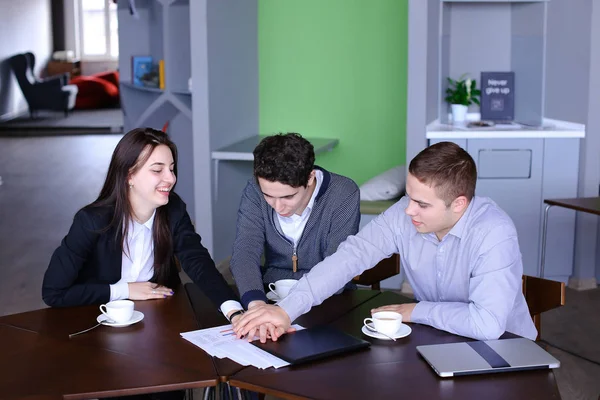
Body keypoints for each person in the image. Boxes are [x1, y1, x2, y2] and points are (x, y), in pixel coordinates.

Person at [233, 141, 538, 342]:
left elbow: (487, 325)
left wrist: (416, 311)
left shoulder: (494, 232)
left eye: (422, 204)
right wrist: (286, 310)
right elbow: (350, 257)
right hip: (441, 338)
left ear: (458, 204)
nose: (408, 210)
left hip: (505, 349)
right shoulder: (405, 215)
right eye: (409, 196)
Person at [42, 127, 243, 322]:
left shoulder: (174, 209)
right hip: (98, 322)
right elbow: (53, 292)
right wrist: (125, 290)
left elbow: (198, 262)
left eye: (172, 169)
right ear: (129, 175)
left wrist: (233, 310)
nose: (171, 178)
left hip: (161, 319)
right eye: (158, 170)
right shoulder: (91, 220)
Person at [229, 133, 360, 337]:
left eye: (288, 196)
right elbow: (245, 252)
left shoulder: (343, 193)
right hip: (270, 300)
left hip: (330, 303)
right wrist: (257, 308)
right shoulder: (254, 191)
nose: (278, 207)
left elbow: (336, 272)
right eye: (269, 196)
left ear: (310, 177)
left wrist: (279, 280)